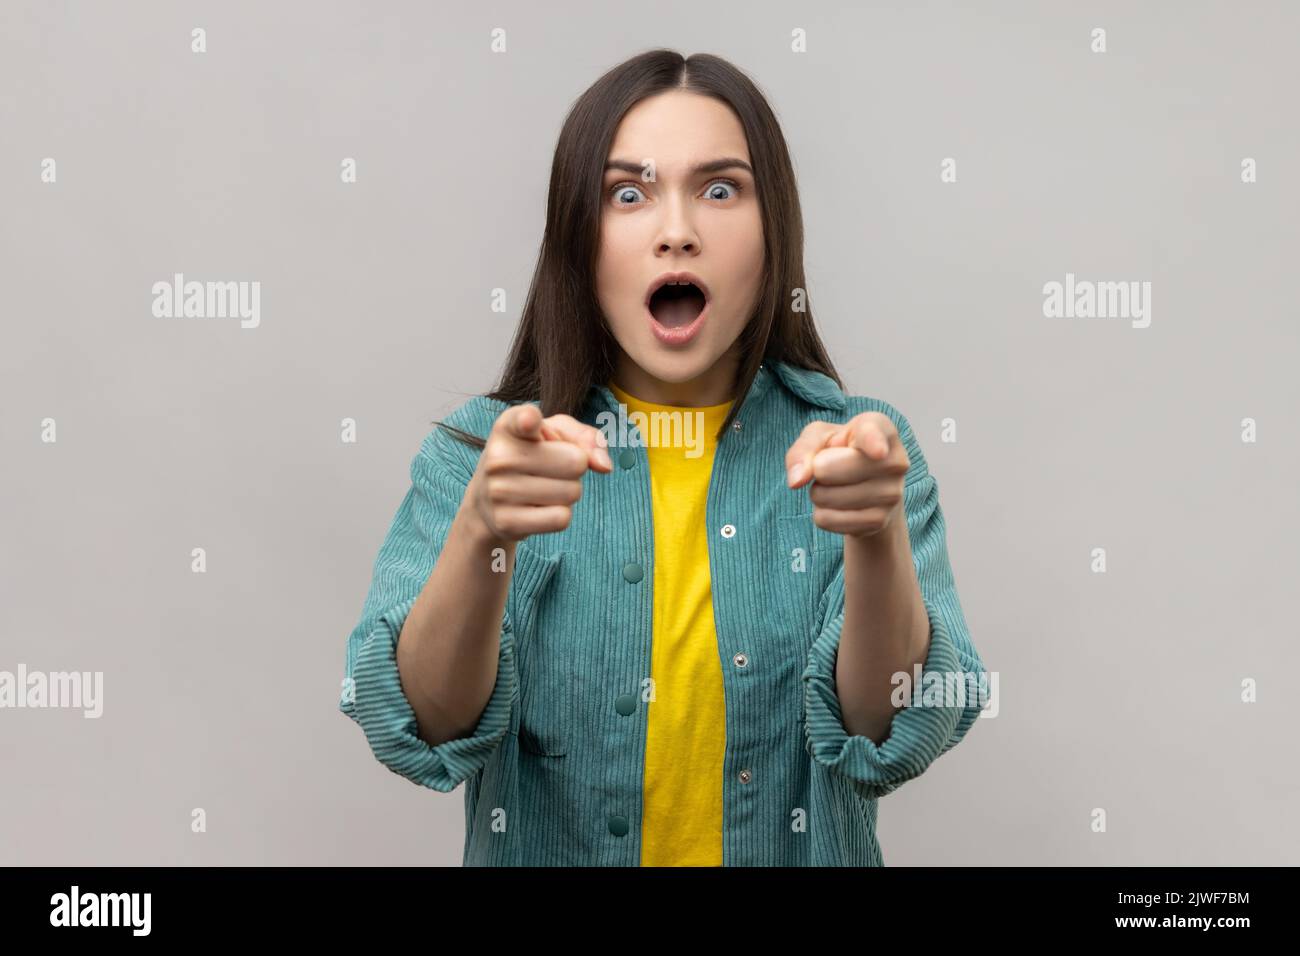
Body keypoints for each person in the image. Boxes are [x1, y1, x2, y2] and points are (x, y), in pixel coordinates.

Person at [340, 48, 987, 866]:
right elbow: (419, 728)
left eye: (720, 190)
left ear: (772, 227)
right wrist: (482, 537)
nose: (676, 232)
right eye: (628, 194)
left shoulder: (863, 452)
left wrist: (875, 536)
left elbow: (888, 734)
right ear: (580, 235)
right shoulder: (482, 456)